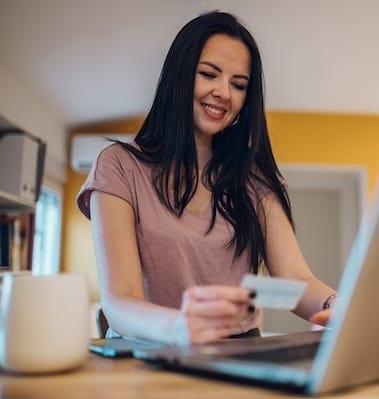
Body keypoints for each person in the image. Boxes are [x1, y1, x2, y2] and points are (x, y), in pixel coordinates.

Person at [77, 11, 336, 346]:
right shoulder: (118, 166)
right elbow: (120, 300)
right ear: (180, 75)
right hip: (147, 352)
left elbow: (296, 279)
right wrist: (179, 328)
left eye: (238, 84)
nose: (224, 93)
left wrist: (338, 306)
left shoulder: (253, 179)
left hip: (236, 351)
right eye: (209, 74)